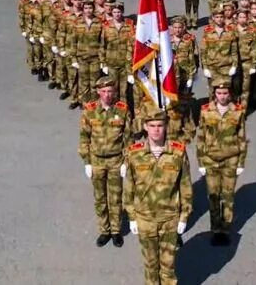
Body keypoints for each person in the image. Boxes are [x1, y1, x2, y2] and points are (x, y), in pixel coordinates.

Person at [124, 110, 193, 285]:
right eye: (152, 126)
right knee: (150, 266)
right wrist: (131, 217)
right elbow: (129, 188)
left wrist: (184, 217)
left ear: (166, 126)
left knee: (168, 267)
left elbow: (185, 187)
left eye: (160, 126)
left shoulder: (177, 152)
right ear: (145, 127)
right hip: (145, 218)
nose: (156, 130)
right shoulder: (134, 153)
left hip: (169, 218)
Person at [79, 76, 132, 247]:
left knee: (115, 197)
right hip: (97, 161)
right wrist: (87, 162)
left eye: (110, 91)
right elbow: (84, 138)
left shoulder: (122, 110)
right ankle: (104, 230)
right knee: (100, 197)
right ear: (98, 92)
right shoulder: (90, 110)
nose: (107, 95)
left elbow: (128, 138)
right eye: (104, 91)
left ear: (115, 92)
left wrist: (126, 161)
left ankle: (116, 230)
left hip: (116, 160)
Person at [197, 83, 247, 246]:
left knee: (228, 196)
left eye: (225, 93)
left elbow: (242, 137)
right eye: (219, 93)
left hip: (230, 159)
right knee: (213, 196)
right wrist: (200, 161)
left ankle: (225, 229)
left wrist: (241, 162)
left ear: (230, 94)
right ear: (214, 94)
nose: (222, 96)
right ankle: (215, 229)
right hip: (211, 159)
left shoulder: (238, 111)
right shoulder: (206, 110)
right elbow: (201, 137)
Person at [68, 0, 105, 106]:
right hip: (82, 58)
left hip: (95, 58)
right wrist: (73, 59)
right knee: (83, 82)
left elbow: (102, 42)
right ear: (83, 10)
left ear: (93, 9)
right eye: (86, 8)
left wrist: (102, 60)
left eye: (90, 8)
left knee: (95, 82)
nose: (88, 10)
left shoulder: (99, 22)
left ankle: (94, 104)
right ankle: (84, 103)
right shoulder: (77, 23)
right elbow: (73, 42)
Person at [100, 2, 135, 98]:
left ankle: (123, 110)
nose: (117, 14)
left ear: (122, 12)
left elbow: (132, 45)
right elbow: (103, 45)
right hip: (111, 63)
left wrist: (130, 70)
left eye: (119, 12)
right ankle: (114, 110)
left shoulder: (129, 25)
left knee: (124, 91)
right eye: (114, 12)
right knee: (113, 90)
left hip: (125, 64)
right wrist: (103, 63)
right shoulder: (106, 26)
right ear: (111, 13)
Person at [200, 11, 239, 90]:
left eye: (221, 17)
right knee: (212, 92)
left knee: (226, 91)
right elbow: (204, 51)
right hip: (212, 66)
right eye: (217, 17)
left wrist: (234, 66)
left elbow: (234, 50)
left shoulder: (230, 31)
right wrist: (205, 68)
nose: (219, 19)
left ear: (224, 18)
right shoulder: (207, 31)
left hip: (226, 66)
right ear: (213, 18)